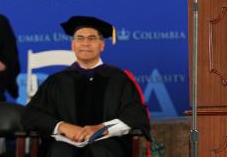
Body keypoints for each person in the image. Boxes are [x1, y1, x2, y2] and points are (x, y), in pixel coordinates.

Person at [22, 16, 150, 157]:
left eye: (92, 38)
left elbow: (136, 115)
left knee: (101, 151)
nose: (85, 43)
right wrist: (62, 126)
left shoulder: (118, 79)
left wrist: (103, 128)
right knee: (60, 152)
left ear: (102, 45)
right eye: (80, 38)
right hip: (64, 143)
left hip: (108, 143)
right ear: (73, 45)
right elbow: (32, 114)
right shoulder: (57, 81)